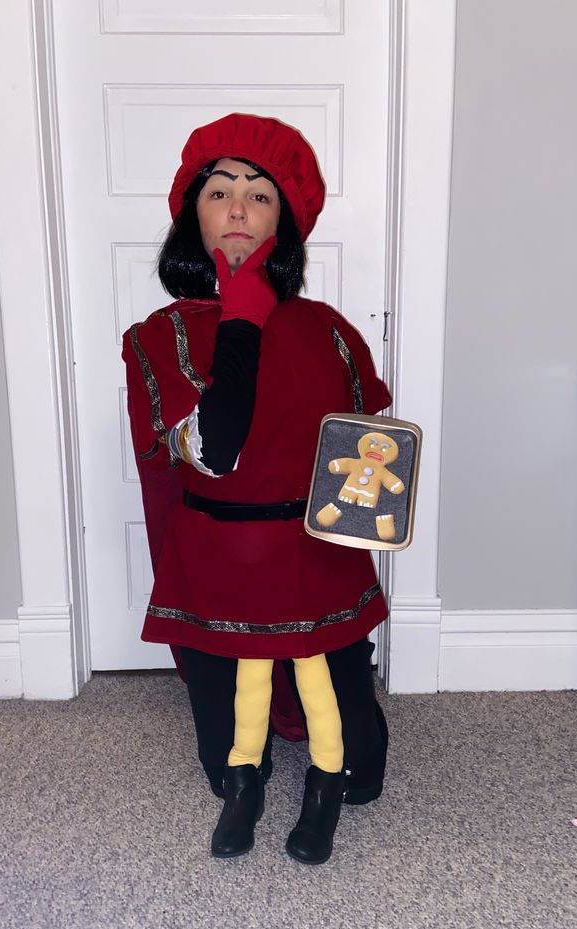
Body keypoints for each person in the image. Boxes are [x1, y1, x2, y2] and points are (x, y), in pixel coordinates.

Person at [122, 113, 392, 864]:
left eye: (261, 195)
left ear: (286, 224)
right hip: (221, 558)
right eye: (219, 191)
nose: (239, 207)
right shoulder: (161, 335)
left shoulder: (331, 330)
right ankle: (247, 783)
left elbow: (367, 448)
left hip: (316, 553)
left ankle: (328, 784)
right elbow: (216, 449)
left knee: (363, 765)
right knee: (224, 757)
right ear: (192, 218)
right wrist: (240, 319)